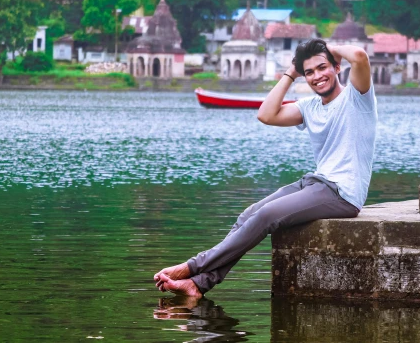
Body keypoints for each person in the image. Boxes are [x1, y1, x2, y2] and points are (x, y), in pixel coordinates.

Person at [154, 38, 378, 297]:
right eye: (309, 72)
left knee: (266, 216)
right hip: (315, 182)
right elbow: (266, 115)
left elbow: (360, 56)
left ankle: (191, 267)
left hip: (342, 193)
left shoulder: (357, 98)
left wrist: (326, 48)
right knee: (248, 215)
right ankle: (199, 284)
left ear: (337, 67)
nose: (317, 76)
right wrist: (290, 73)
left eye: (322, 68)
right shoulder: (309, 107)